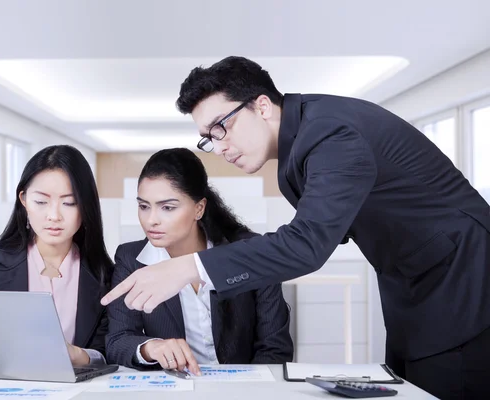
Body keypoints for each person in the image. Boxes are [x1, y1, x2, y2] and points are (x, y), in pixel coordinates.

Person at [101, 56, 490, 399]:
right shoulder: (301, 145)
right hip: (412, 286)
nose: (218, 146)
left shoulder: (329, 134)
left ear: (263, 106)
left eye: (221, 127)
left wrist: (191, 266)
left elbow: (307, 244)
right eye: (208, 138)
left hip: (460, 282)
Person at [105, 148, 293, 374]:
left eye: (167, 207)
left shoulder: (248, 252)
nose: (151, 220)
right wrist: (150, 348)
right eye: (144, 206)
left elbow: (274, 347)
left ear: (199, 208)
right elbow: (117, 340)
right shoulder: (131, 259)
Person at [0, 145, 113, 367]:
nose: (54, 216)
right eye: (41, 202)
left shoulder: (105, 274)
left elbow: (111, 350)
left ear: (86, 206)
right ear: (24, 199)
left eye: (69, 203)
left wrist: (79, 356)